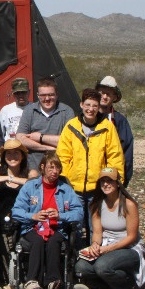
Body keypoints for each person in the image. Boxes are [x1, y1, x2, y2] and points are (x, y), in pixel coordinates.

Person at [11, 152, 83, 289]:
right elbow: (16, 211)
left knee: (54, 241)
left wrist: (60, 215)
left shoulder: (66, 189)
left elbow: (79, 213)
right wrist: (34, 216)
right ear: (42, 167)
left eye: (58, 168)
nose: (55, 171)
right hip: (33, 227)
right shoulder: (30, 187)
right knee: (37, 240)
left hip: (57, 228)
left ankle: (52, 281)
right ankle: (31, 281)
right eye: (51, 167)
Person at [56, 88, 124, 231]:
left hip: (98, 188)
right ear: (81, 105)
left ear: (99, 107)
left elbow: (115, 156)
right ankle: (77, 253)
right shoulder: (71, 127)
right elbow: (63, 157)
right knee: (75, 225)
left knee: (96, 226)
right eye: (87, 105)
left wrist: (116, 182)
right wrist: (65, 181)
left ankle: (95, 253)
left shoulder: (107, 128)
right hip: (74, 187)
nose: (91, 109)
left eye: (94, 105)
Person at [74, 167, 140, 289]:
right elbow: (97, 233)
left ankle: (126, 286)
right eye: (103, 181)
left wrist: (107, 249)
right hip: (106, 245)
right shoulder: (97, 204)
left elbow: (131, 237)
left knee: (102, 266)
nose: (106, 184)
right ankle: (107, 286)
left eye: (110, 181)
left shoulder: (129, 204)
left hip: (128, 247)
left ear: (117, 183)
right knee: (81, 267)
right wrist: (94, 245)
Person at [0, 139, 39, 286]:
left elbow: (34, 183)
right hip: (2, 220)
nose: (12, 156)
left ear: (22, 156)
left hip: (25, 221)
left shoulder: (30, 172)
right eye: (8, 154)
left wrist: (8, 178)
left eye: (16, 153)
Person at [16, 77, 75, 170]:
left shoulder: (67, 111)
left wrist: (40, 137)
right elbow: (20, 138)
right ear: (38, 95)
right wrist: (47, 147)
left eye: (51, 95)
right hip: (33, 169)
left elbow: (70, 140)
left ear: (57, 95)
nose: (47, 99)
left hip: (60, 168)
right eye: (43, 95)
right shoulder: (30, 110)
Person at [96, 76, 134, 188]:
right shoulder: (85, 118)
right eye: (101, 92)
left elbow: (127, 153)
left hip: (111, 179)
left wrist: (122, 181)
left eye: (108, 94)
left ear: (114, 97)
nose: (104, 96)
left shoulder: (120, 121)